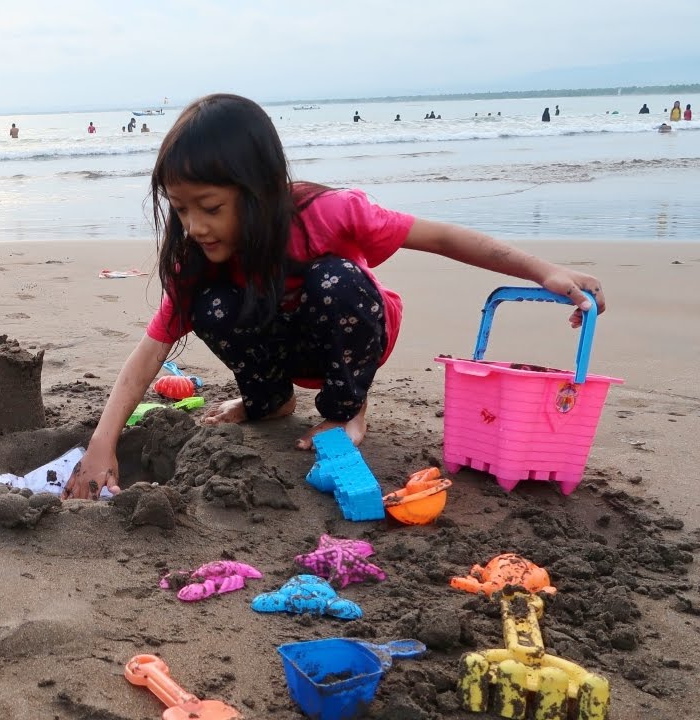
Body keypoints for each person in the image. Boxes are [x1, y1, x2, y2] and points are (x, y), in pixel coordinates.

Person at [60, 94, 606, 500]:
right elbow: (151, 350)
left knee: (334, 280)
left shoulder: (326, 213)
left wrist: (544, 271)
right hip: (281, 341)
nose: (195, 226)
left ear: (260, 190)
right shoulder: (197, 258)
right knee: (211, 304)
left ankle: (347, 410)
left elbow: (440, 237)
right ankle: (269, 401)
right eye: (181, 210)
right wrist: (103, 443)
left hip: (349, 332)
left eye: (211, 207)